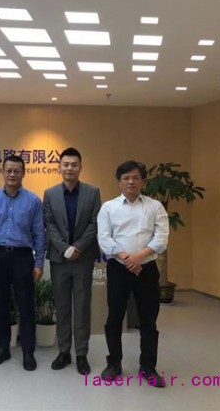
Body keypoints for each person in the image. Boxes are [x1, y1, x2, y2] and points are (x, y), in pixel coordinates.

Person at [97, 160, 169, 387]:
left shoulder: (155, 206)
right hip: (118, 269)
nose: (130, 182)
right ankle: (114, 364)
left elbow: (161, 239)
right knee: (114, 318)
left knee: (148, 320)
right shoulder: (108, 208)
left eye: (135, 177)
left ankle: (148, 367)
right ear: (119, 182)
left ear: (143, 181)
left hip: (146, 269)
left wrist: (138, 257)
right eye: (126, 178)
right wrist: (128, 259)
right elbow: (104, 239)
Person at [0, 155, 46, 371]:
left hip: (22, 257)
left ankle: (28, 351)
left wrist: (39, 262)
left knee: (26, 305)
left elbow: (39, 234)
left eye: (17, 171)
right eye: (9, 170)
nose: (12, 174)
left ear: (23, 173)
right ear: (2, 172)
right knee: (0, 304)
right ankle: (3, 348)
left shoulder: (33, 201)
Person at [43, 147, 101, 375]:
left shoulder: (92, 192)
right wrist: (64, 248)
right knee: (62, 306)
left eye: (74, 165)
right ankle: (64, 351)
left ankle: (81, 354)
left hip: (83, 258)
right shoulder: (50, 193)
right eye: (65, 164)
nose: (69, 168)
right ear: (59, 167)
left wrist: (77, 247)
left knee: (82, 306)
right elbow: (49, 224)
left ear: (80, 167)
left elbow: (95, 223)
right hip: (59, 259)